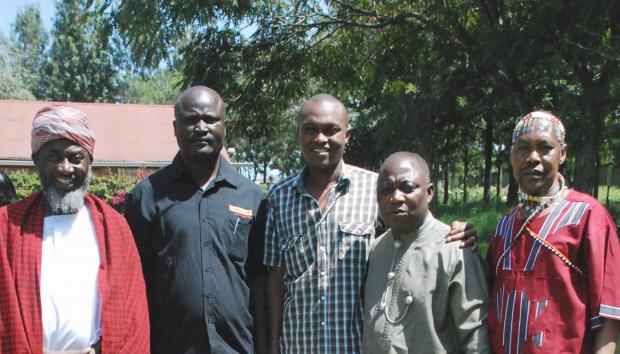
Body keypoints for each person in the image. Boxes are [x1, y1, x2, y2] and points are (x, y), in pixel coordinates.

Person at [263, 93, 477, 354]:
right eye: (310, 130)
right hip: (298, 346)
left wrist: (457, 233)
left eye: (331, 130)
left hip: (356, 346)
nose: (320, 139)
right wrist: (271, 347)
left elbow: (410, 236)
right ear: (298, 134)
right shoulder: (277, 198)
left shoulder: (376, 189)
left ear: (347, 135)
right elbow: (275, 280)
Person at [125, 86, 266, 354]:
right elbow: (133, 287)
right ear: (175, 128)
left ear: (225, 126)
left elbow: (259, 282)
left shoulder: (250, 196)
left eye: (210, 119)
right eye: (191, 120)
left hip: (237, 349)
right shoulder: (146, 196)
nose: (201, 127)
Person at [0, 105, 150, 353]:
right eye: (53, 157)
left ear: (90, 160)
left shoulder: (114, 227)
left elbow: (133, 315)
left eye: (75, 158)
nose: (65, 168)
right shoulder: (8, 227)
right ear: (36, 160)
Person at [487, 111, 620, 353]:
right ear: (511, 155)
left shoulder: (588, 216)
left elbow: (609, 314)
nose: (532, 158)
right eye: (523, 148)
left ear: (563, 154)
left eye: (545, 148)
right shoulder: (504, 226)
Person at [362, 152, 490, 353]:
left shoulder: (455, 249)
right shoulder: (376, 249)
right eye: (386, 190)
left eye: (407, 188)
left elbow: (475, 336)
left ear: (429, 192)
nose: (395, 197)